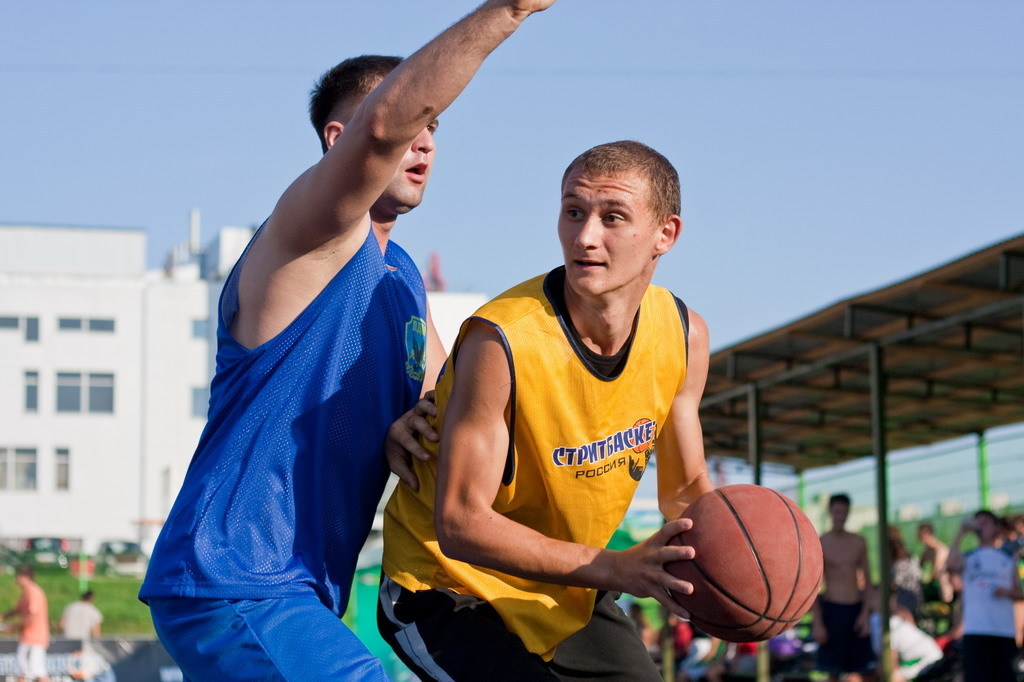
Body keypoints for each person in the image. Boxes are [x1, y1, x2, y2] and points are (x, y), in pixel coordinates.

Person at [138, 2, 556, 680]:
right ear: (340, 139)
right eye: (418, 122)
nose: (425, 142)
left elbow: (452, 413)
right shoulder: (309, 234)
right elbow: (385, 125)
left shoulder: (403, 280)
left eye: (435, 129)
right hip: (237, 575)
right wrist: (508, 11)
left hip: (300, 590)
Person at [379, 140, 714, 680]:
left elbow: (684, 489)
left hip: (565, 584)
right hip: (448, 586)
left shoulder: (683, 334)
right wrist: (616, 568)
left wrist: (738, 559)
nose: (585, 237)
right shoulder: (503, 341)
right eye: (573, 212)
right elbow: (461, 523)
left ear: (665, 234)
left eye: (613, 217)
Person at [946, 509, 1024, 682]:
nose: (981, 526)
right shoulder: (969, 557)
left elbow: (1020, 594)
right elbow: (950, 564)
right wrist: (961, 532)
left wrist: (1007, 592)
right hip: (976, 632)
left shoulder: (1007, 559)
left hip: (1004, 633)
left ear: (996, 526)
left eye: (986, 522)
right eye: (978, 523)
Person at [812, 493, 877, 682]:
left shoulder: (858, 542)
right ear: (830, 512)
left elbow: (869, 582)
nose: (840, 516)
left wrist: (865, 615)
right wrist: (818, 622)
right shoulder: (821, 542)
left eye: (844, 512)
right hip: (832, 611)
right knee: (832, 672)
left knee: (865, 672)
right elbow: (815, 586)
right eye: (837, 512)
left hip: (855, 610)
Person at [868, 592, 943, 682]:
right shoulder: (875, 619)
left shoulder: (892, 624)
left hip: (928, 660)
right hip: (906, 661)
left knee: (893, 676)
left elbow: (891, 666)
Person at [2, 565, 50, 682]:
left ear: (25, 577)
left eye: (17, 577)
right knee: (21, 674)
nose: (16, 580)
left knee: (38, 674)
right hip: (27, 638)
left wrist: (13, 627)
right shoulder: (27, 593)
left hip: (34, 639)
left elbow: (31, 617)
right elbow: (17, 610)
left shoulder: (34, 593)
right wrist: (3, 617)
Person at [889, 526, 924, 619]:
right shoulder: (913, 560)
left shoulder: (896, 565)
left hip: (905, 602)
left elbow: (895, 584)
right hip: (916, 598)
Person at [917, 522, 953, 604]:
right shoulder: (927, 551)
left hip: (944, 588)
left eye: (920, 535)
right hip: (936, 587)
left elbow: (937, 572)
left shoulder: (941, 550)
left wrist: (929, 578)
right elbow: (919, 565)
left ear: (926, 534)